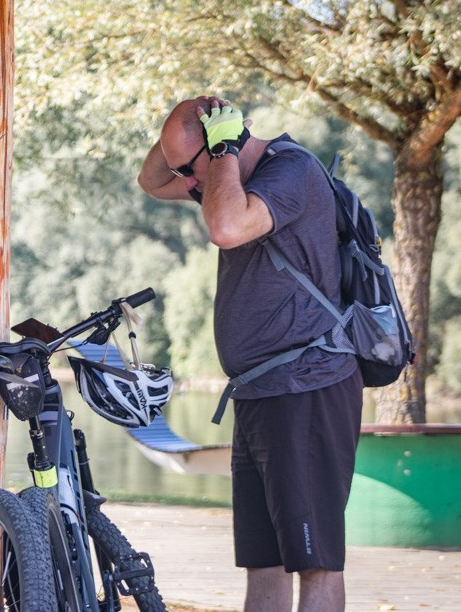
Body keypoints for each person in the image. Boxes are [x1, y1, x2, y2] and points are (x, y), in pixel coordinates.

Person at [138, 97, 364, 611]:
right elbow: (151, 182)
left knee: (316, 562)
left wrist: (219, 150)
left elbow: (226, 229)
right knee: (262, 561)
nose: (188, 184)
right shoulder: (221, 181)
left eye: (190, 170)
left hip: (307, 386)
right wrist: (189, 145)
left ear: (224, 144)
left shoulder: (290, 171)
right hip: (260, 392)